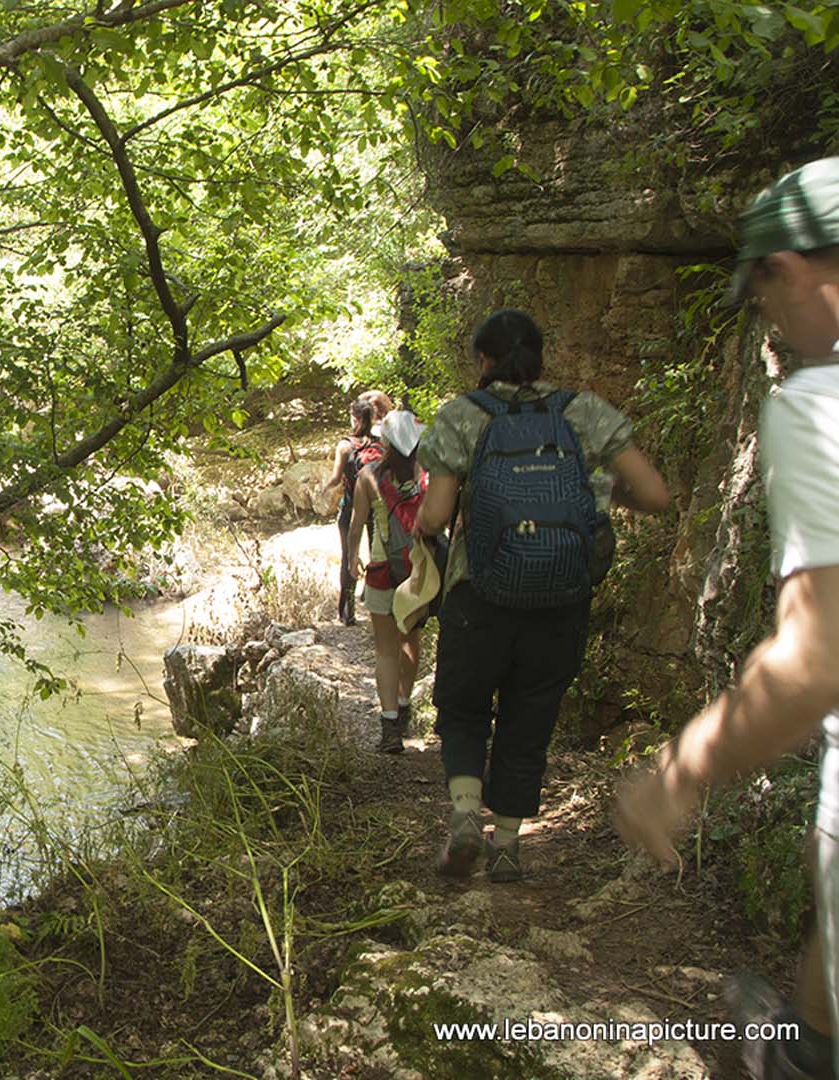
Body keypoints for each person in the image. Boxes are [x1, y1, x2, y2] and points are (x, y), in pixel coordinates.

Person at [615, 156, 839, 1080]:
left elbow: (819, 657)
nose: (770, 327)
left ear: (788, 269)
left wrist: (681, 769)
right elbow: (661, 497)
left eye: (760, 297)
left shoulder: (818, 404)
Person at [415, 309, 670, 882]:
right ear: (540, 357)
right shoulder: (584, 412)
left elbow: (435, 514)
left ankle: (463, 816)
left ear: (482, 361)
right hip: (561, 598)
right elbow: (656, 494)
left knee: (463, 706)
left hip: (478, 595)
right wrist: (596, 493)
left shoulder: (462, 416)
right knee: (530, 717)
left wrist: (425, 530)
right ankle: (507, 846)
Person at [348, 409, 427, 753]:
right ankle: (405, 703)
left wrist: (352, 557)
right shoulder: (428, 474)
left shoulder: (368, 475)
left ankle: (390, 726)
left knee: (384, 649)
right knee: (410, 639)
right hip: (420, 571)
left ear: (385, 442)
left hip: (382, 570)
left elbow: (356, 524)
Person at [322, 400, 380, 625]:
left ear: (354, 417)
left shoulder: (345, 445)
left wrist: (324, 489)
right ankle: (374, 602)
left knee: (349, 555)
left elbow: (337, 478)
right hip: (376, 507)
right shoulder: (381, 443)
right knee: (378, 555)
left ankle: (347, 612)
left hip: (350, 507)